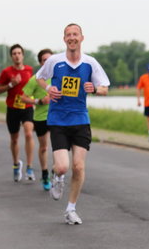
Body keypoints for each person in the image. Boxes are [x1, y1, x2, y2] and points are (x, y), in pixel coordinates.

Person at [36, 23, 109, 225]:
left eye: (75, 34)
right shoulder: (54, 61)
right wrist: (49, 88)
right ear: (64, 39)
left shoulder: (90, 63)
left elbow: (105, 88)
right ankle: (57, 177)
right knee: (62, 166)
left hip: (80, 119)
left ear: (81, 38)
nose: (72, 38)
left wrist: (94, 88)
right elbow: (39, 78)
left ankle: (71, 209)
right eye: (68, 35)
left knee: (78, 166)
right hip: (58, 119)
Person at [0, 44, 35, 182]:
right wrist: (11, 85)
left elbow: (35, 86)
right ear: (11, 56)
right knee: (14, 139)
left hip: (27, 106)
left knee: (29, 133)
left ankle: (29, 167)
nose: (17, 55)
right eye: (14, 53)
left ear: (23, 55)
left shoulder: (30, 70)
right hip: (12, 108)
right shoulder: (7, 72)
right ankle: (16, 164)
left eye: (19, 53)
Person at [20, 49, 53, 191]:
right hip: (40, 117)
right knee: (44, 147)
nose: (47, 62)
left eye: (50, 59)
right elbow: (23, 97)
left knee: (59, 147)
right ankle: (45, 174)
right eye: (44, 60)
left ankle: (58, 174)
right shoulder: (35, 79)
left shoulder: (59, 76)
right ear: (40, 63)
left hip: (57, 116)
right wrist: (39, 101)